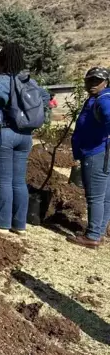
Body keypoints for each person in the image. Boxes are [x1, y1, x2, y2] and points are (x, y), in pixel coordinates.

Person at [0, 42, 50, 235]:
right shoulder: (29, 81)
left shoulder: (0, 81)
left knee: (3, 181)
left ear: (1, 62)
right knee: (19, 181)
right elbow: (45, 97)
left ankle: (2, 223)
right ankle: (19, 225)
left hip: (3, 133)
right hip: (25, 136)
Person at [68, 67, 110, 248]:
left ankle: (92, 235)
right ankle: (98, 233)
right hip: (102, 151)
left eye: (97, 81)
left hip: (96, 152)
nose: (93, 84)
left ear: (106, 82)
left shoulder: (103, 100)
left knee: (95, 196)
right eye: (90, 80)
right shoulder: (97, 98)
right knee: (106, 196)